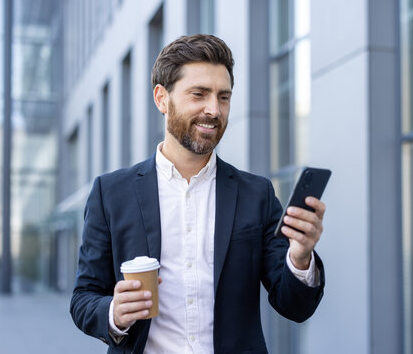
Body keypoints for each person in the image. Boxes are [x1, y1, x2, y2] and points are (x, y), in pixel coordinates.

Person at [70, 34, 326, 354]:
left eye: (223, 97)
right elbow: (83, 298)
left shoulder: (256, 194)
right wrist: (114, 312)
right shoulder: (110, 193)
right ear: (162, 98)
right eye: (199, 94)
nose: (213, 109)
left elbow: (294, 306)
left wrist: (301, 257)